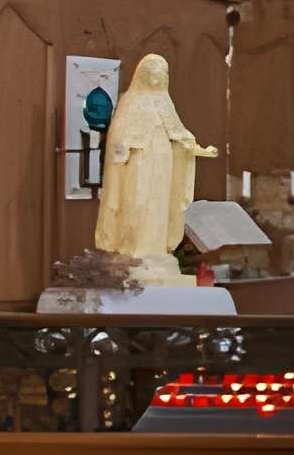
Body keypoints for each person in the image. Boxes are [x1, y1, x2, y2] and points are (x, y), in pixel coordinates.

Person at [93, 54, 216, 284]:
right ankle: (133, 251)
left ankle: (156, 252)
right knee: (137, 204)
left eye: (162, 72)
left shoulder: (165, 102)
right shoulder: (131, 101)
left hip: (163, 163)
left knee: (159, 208)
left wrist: (198, 149)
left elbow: (178, 135)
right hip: (138, 164)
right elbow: (118, 136)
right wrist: (122, 148)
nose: (158, 76)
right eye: (154, 71)